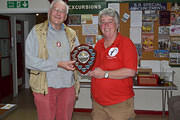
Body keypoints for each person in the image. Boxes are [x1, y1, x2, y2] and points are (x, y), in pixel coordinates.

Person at [25, 0, 80, 120]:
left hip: (68, 87)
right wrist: (58, 64)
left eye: (62, 11)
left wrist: (85, 63)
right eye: (56, 10)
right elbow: (29, 61)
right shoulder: (36, 32)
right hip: (44, 87)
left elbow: (78, 57)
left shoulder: (72, 34)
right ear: (49, 12)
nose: (58, 13)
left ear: (65, 16)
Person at [88, 8, 138, 120]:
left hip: (119, 104)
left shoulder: (126, 43)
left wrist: (105, 74)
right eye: (102, 22)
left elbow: (131, 71)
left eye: (109, 21)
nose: (105, 25)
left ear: (117, 25)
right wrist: (85, 68)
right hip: (98, 103)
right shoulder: (98, 45)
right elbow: (95, 68)